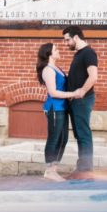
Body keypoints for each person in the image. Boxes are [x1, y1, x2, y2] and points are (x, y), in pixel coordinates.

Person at [35, 42, 80, 181]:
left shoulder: (56, 68)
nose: (58, 50)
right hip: (55, 108)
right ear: (49, 54)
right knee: (54, 139)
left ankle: (54, 170)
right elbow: (53, 92)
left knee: (63, 139)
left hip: (63, 108)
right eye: (56, 49)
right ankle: (49, 170)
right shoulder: (48, 70)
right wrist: (73, 93)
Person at [62, 26, 99, 180]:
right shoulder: (79, 54)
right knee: (80, 134)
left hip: (83, 100)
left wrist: (82, 91)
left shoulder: (88, 53)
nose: (66, 44)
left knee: (83, 134)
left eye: (67, 40)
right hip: (76, 101)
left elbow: (93, 76)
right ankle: (82, 168)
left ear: (76, 37)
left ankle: (85, 170)